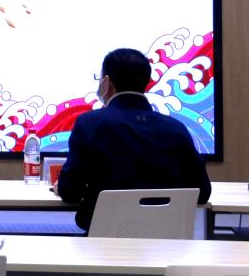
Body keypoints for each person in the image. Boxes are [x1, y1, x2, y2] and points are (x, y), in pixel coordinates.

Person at [57, 47, 212, 231]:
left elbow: (70, 191)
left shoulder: (89, 124)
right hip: (165, 242)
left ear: (106, 83)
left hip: (102, 243)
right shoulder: (176, 129)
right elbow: (202, 192)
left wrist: (62, 187)